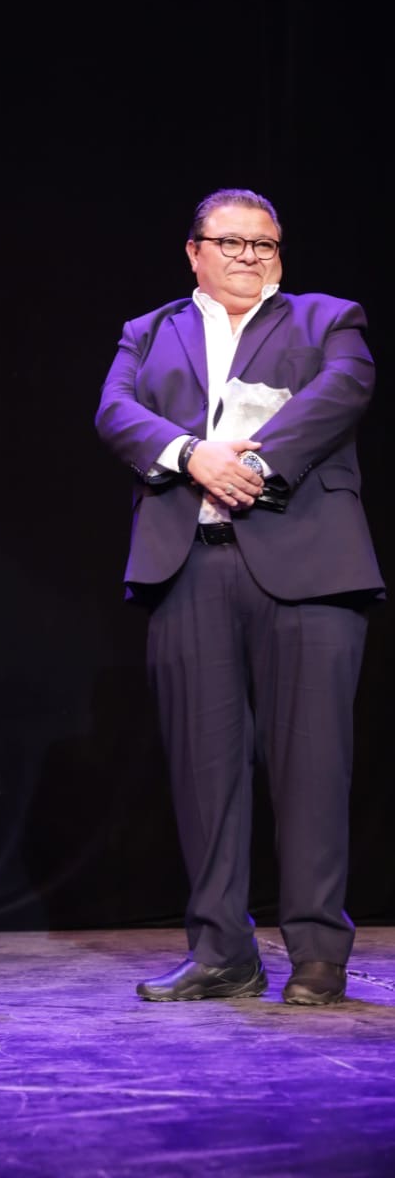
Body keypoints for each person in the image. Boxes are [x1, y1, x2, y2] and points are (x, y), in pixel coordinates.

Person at [96, 188, 383, 1006]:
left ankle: (318, 952)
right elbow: (116, 411)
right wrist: (191, 454)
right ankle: (223, 951)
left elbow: (344, 390)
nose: (250, 256)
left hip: (310, 566)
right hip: (189, 564)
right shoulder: (149, 331)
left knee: (313, 765)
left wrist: (251, 464)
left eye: (265, 244)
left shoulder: (328, 318)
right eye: (232, 242)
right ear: (194, 251)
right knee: (205, 769)